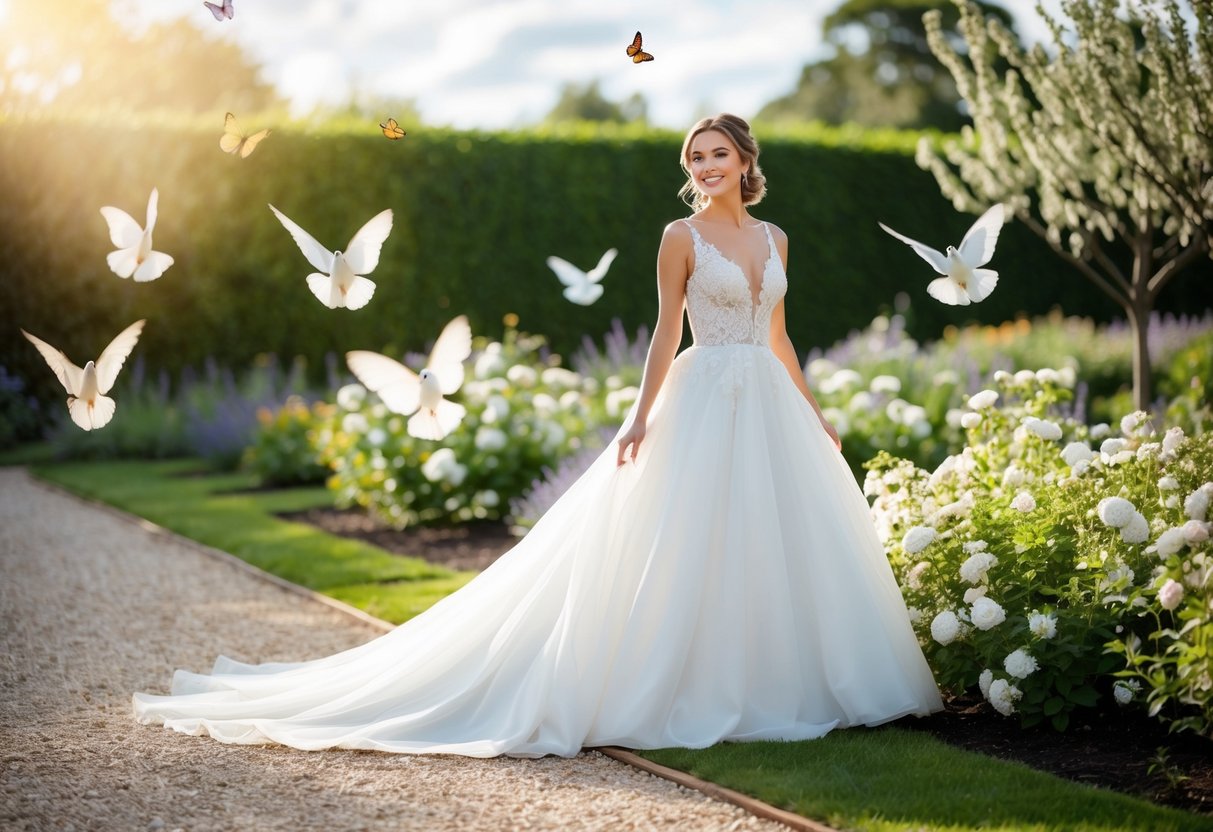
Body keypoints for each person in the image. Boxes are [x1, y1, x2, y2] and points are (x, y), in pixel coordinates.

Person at [133, 113, 942, 757]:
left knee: (774, 542)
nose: (704, 168)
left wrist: (812, 408)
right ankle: (688, 686)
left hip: (767, 399)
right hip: (702, 397)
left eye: (717, 155)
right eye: (694, 158)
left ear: (745, 162)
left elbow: (778, 334)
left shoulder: (776, 240)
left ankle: (786, 684)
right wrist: (637, 415)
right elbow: (666, 334)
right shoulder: (678, 238)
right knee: (689, 540)